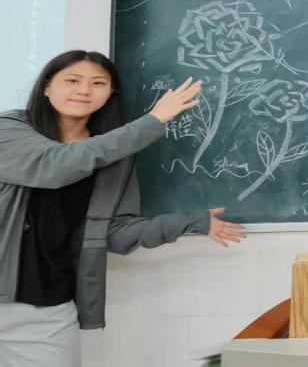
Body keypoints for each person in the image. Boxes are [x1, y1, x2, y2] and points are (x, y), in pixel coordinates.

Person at [0, 50, 245, 367]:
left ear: (110, 92)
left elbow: (113, 231)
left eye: (98, 83)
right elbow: (54, 166)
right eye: (72, 80)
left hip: (45, 305)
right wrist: (152, 122)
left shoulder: (116, 155)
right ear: (47, 86)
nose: (84, 90)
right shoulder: (10, 129)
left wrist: (190, 222)